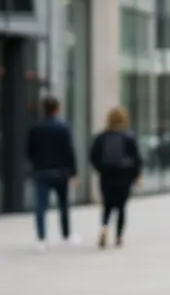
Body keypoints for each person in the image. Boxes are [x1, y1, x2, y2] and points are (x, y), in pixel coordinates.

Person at [25, 95, 78, 250]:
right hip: (61, 172)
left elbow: (29, 151)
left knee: (41, 206)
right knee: (63, 204)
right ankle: (66, 236)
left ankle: (41, 239)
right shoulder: (63, 127)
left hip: (41, 171)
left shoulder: (35, 128)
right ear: (57, 109)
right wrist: (74, 172)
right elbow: (69, 151)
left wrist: (36, 165)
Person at [89, 107, 142, 248]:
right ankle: (118, 237)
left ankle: (104, 228)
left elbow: (93, 157)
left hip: (106, 176)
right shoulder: (129, 137)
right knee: (121, 207)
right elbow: (136, 159)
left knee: (107, 206)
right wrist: (136, 175)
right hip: (124, 177)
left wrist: (101, 169)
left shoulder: (101, 137)